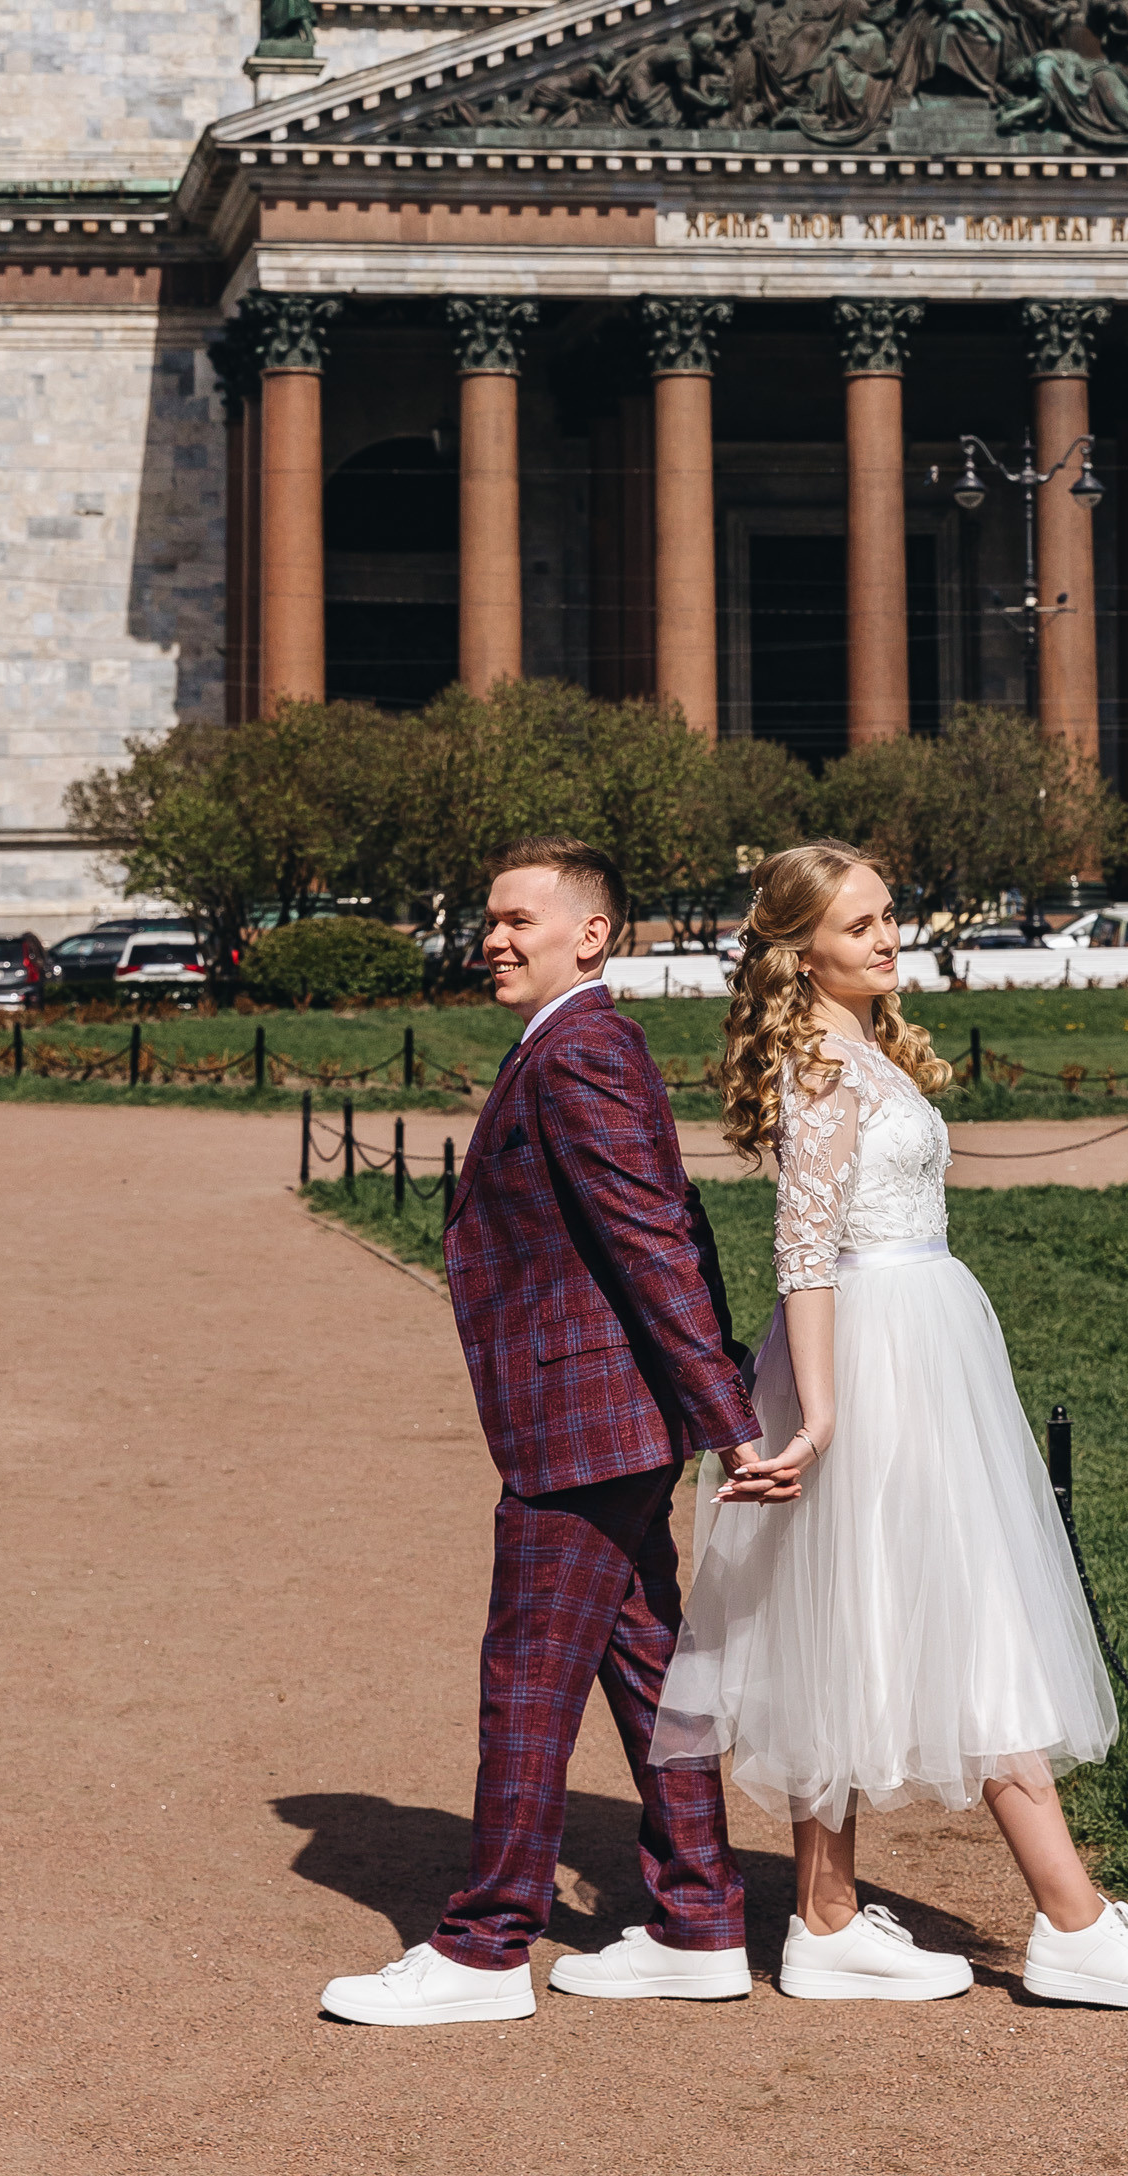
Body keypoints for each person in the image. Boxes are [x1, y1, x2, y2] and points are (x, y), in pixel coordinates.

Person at [653, 842, 1128, 2012]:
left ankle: (822, 1918)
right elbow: (802, 1253)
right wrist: (815, 1419)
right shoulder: (819, 1066)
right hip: (874, 1353)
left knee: (848, 1613)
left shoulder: (863, 1048)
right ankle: (1069, 1922)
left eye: (886, 916)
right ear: (798, 946)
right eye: (857, 925)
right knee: (964, 1609)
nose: (884, 937)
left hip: (921, 1334)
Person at [320, 836, 774, 2029]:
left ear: (592, 933)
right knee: (644, 1669)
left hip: (585, 1425)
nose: (494, 937)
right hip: (607, 1416)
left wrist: (729, 1420)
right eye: (488, 917)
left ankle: (482, 1948)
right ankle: (698, 1920)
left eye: (520, 917)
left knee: (526, 1679)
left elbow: (654, 1243)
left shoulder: (577, 1052)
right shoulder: (573, 1046)